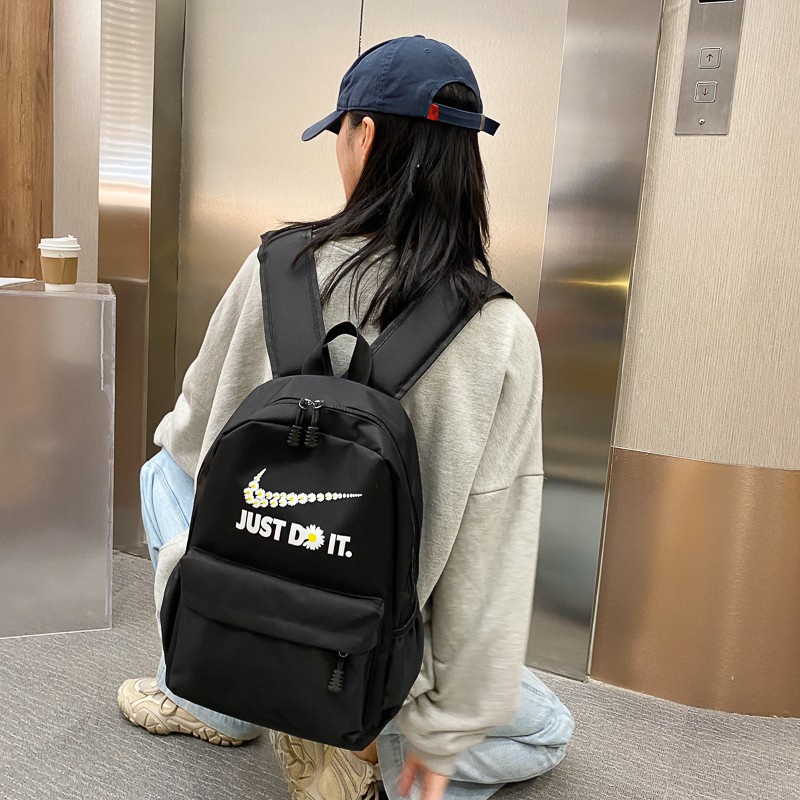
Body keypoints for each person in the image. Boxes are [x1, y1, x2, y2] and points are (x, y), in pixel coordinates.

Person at [117, 35, 574, 800]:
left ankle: (220, 691)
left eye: (339, 130)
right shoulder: (499, 333)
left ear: (364, 133)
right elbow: (486, 568)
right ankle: (368, 744)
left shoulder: (273, 267)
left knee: (162, 468)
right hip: (376, 650)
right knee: (547, 726)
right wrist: (443, 735)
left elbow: (193, 442)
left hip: (252, 605)